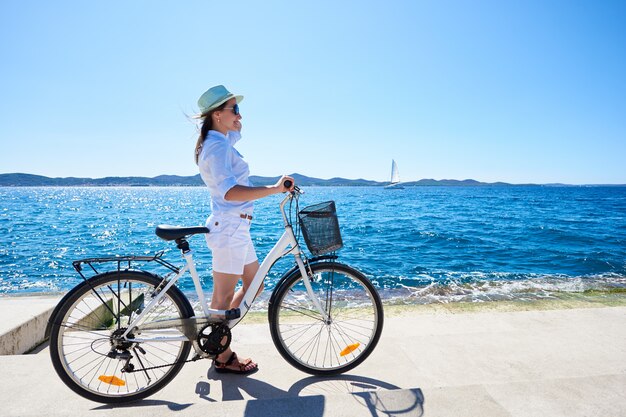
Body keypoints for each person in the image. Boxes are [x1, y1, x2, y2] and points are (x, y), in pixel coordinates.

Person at [194, 85, 294, 374]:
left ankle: (217, 335)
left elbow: (235, 131)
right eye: (234, 109)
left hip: (237, 227)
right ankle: (221, 354)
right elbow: (229, 191)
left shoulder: (219, 140)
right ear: (216, 115)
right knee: (222, 299)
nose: (239, 114)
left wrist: (234, 120)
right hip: (229, 228)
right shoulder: (216, 146)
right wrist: (274, 189)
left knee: (256, 284)